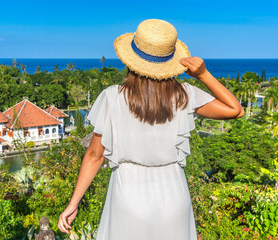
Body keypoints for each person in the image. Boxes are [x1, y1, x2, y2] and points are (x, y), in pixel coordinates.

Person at [58, 19, 244, 240]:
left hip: (129, 197)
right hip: (174, 197)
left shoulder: (112, 97)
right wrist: (203, 75)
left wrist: (74, 203)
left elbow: (95, 155)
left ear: (131, 60)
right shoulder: (184, 94)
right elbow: (235, 110)